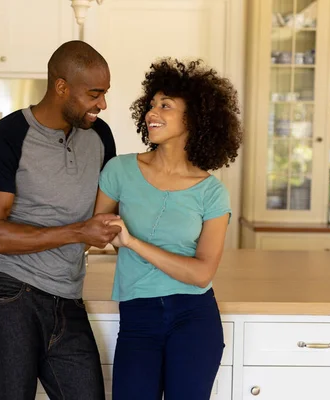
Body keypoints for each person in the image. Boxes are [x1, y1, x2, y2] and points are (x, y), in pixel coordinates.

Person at [0, 40, 122, 400]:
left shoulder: (100, 136)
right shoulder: (3, 139)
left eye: (104, 94)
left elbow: (109, 212)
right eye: (94, 94)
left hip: (67, 295)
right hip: (9, 292)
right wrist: (78, 232)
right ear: (61, 87)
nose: (103, 104)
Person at [94, 58, 243, 399]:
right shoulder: (119, 170)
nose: (151, 113)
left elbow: (202, 273)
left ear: (193, 118)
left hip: (193, 318)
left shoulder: (212, 192)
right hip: (138, 317)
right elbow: (98, 232)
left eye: (165, 106)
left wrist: (132, 242)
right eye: (150, 104)